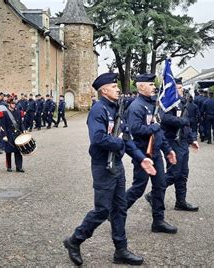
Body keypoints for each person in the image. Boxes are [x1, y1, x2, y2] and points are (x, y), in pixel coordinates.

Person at [63, 73, 157, 266]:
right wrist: (119, 141)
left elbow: (127, 140)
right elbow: (97, 138)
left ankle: (121, 250)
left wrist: (141, 159)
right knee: (102, 210)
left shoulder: (116, 109)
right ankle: (74, 240)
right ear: (104, 90)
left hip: (116, 165)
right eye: (114, 87)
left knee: (120, 208)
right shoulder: (99, 110)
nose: (118, 89)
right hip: (102, 166)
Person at [125, 73, 178, 234]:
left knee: (160, 186)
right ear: (141, 87)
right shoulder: (136, 106)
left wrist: (168, 150)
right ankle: (115, 212)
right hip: (142, 154)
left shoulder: (152, 105)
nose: (154, 87)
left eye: (153, 84)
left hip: (155, 153)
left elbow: (159, 134)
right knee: (138, 188)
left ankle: (158, 220)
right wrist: (154, 127)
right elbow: (135, 129)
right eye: (150, 84)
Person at [145, 78, 199, 212]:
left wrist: (192, 139)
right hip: (172, 140)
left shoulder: (182, 103)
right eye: (178, 88)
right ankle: (154, 195)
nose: (181, 90)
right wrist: (181, 120)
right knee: (174, 173)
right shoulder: (166, 103)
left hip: (183, 141)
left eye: (181, 88)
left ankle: (180, 202)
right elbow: (165, 118)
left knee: (183, 173)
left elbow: (188, 124)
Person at [1, 98, 26, 172]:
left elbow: (20, 123)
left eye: (14, 103)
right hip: (9, 134)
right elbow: (3, 125)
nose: (14, 105)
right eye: (12, 104)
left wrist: (23, 129)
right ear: (9, 104)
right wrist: (4, 135)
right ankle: (9, 166)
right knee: (8, 151)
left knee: (18, 151)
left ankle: (19, 167)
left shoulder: (18, 111)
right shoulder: (5, 113)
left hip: (17, 134)